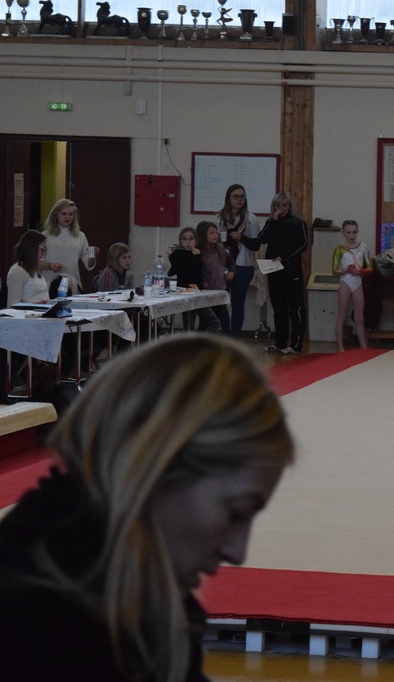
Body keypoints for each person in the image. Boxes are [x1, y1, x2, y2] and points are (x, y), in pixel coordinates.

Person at [0, 334, 294, 681]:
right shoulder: (38, 627)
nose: (237, 552)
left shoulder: (120, 586)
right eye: (235, 513)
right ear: (156, 472)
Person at [256, 191, 308, 355]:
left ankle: (296, 344)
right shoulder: (271, 221)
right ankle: (280, 342)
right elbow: (261, 239)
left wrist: (284, 257)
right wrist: (273, 221)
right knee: (278, 308)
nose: (281, 208)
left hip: (291, 270)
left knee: (295, 308)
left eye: (284, 205)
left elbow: (303, 245)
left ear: (290, 206)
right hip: (274, 271)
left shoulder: (298, 222)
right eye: (278, 205)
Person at [219, 184, 261, 335]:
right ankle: (225, 334)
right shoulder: (221, 218)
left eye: (242, 196)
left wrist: (241, 237)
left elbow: (256, 245)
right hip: (223, 264)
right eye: (236, 196)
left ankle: (234, 338)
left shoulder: (251, 219)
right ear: (229, 198)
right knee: (220, 303)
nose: (239, 199)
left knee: (237, 304)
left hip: (243, 266)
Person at [169, 227, 221, 332]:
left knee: (214, 322)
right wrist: (195, 258)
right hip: (186, 293)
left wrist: (197, 257)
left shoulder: (196, 254)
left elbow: (197, 275)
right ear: (180, 241)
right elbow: (182, 273)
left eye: (191, 238)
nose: (188, 242)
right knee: (189, 327)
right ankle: (193, 342)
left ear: (196, 241)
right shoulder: (177, 255)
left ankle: (200, 342)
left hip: (196, 293)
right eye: (184, 239)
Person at [40, 198, 97, 291]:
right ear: (56, 215)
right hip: (50, 283)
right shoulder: (46, 235)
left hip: (72, 283)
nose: (67, 217)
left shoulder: (80, 236)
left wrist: (92, 257)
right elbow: (37, 262)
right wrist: (50, 265)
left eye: (71, 214)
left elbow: (89, 264)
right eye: (64, 214)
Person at [333, 220, 371, 352]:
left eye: (354, 232)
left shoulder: (363, 247)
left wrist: (359, 272)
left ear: (357, 232)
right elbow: (334, 271)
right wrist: (345, 271)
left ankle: (363, 347)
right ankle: (340, 347)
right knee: (341, 315)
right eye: (348, 232)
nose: (352, 235)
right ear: (343, 232)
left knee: (359, 317)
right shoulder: (339, 249)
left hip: (357, 281)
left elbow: (370, 268)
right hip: (345, 281)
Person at [198, 220, 234, 332]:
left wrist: (232, 271)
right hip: (206, 292)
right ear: (203, 235)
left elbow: (230, 261)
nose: (215, 235)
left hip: (220, 291)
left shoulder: (219, 249)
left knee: (223, 321)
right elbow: (195, 270)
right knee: (207, 323)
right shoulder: (199, 252)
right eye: (211, 233)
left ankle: (223, 341)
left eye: (216, 232)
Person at [5, 229, 50, 306]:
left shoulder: (34, 268)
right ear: (32, 248)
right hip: (30, 312)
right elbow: (12, 305)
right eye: (42, 249)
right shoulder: (18, 270)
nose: (43, 254)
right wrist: (39, 304)